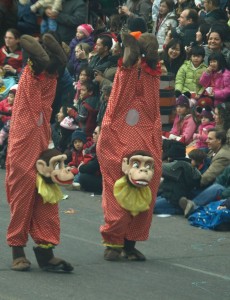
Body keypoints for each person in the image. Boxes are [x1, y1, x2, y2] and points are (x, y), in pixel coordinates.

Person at [5, 33, 73, 272]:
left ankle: (45, 253)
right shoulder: (25, 93)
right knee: (22, 199)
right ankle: (18, 250)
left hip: (42, 137)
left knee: (47, 198)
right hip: (24, 141)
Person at [97, 32, 162, 261]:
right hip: (128, 140)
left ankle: (122, 244)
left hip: (132, 139)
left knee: (121, 106)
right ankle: (120, 244)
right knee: (140, 106)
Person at [179, 128, 230, 216]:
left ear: (219, 141)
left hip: (218, 190)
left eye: (210, 139)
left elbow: (207, 177)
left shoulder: (223, 156)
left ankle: (193, 205)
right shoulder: (213, 150)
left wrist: (190, 183)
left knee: (217, 187)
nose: (206, 141)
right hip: (213, 185)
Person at [78, 125, 102, 194]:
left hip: (106, 181)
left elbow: (92, 166)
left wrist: (81, 167)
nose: (93, 135)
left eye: (95, 133)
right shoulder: (95, 146)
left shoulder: (103, 149)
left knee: (82, 178)